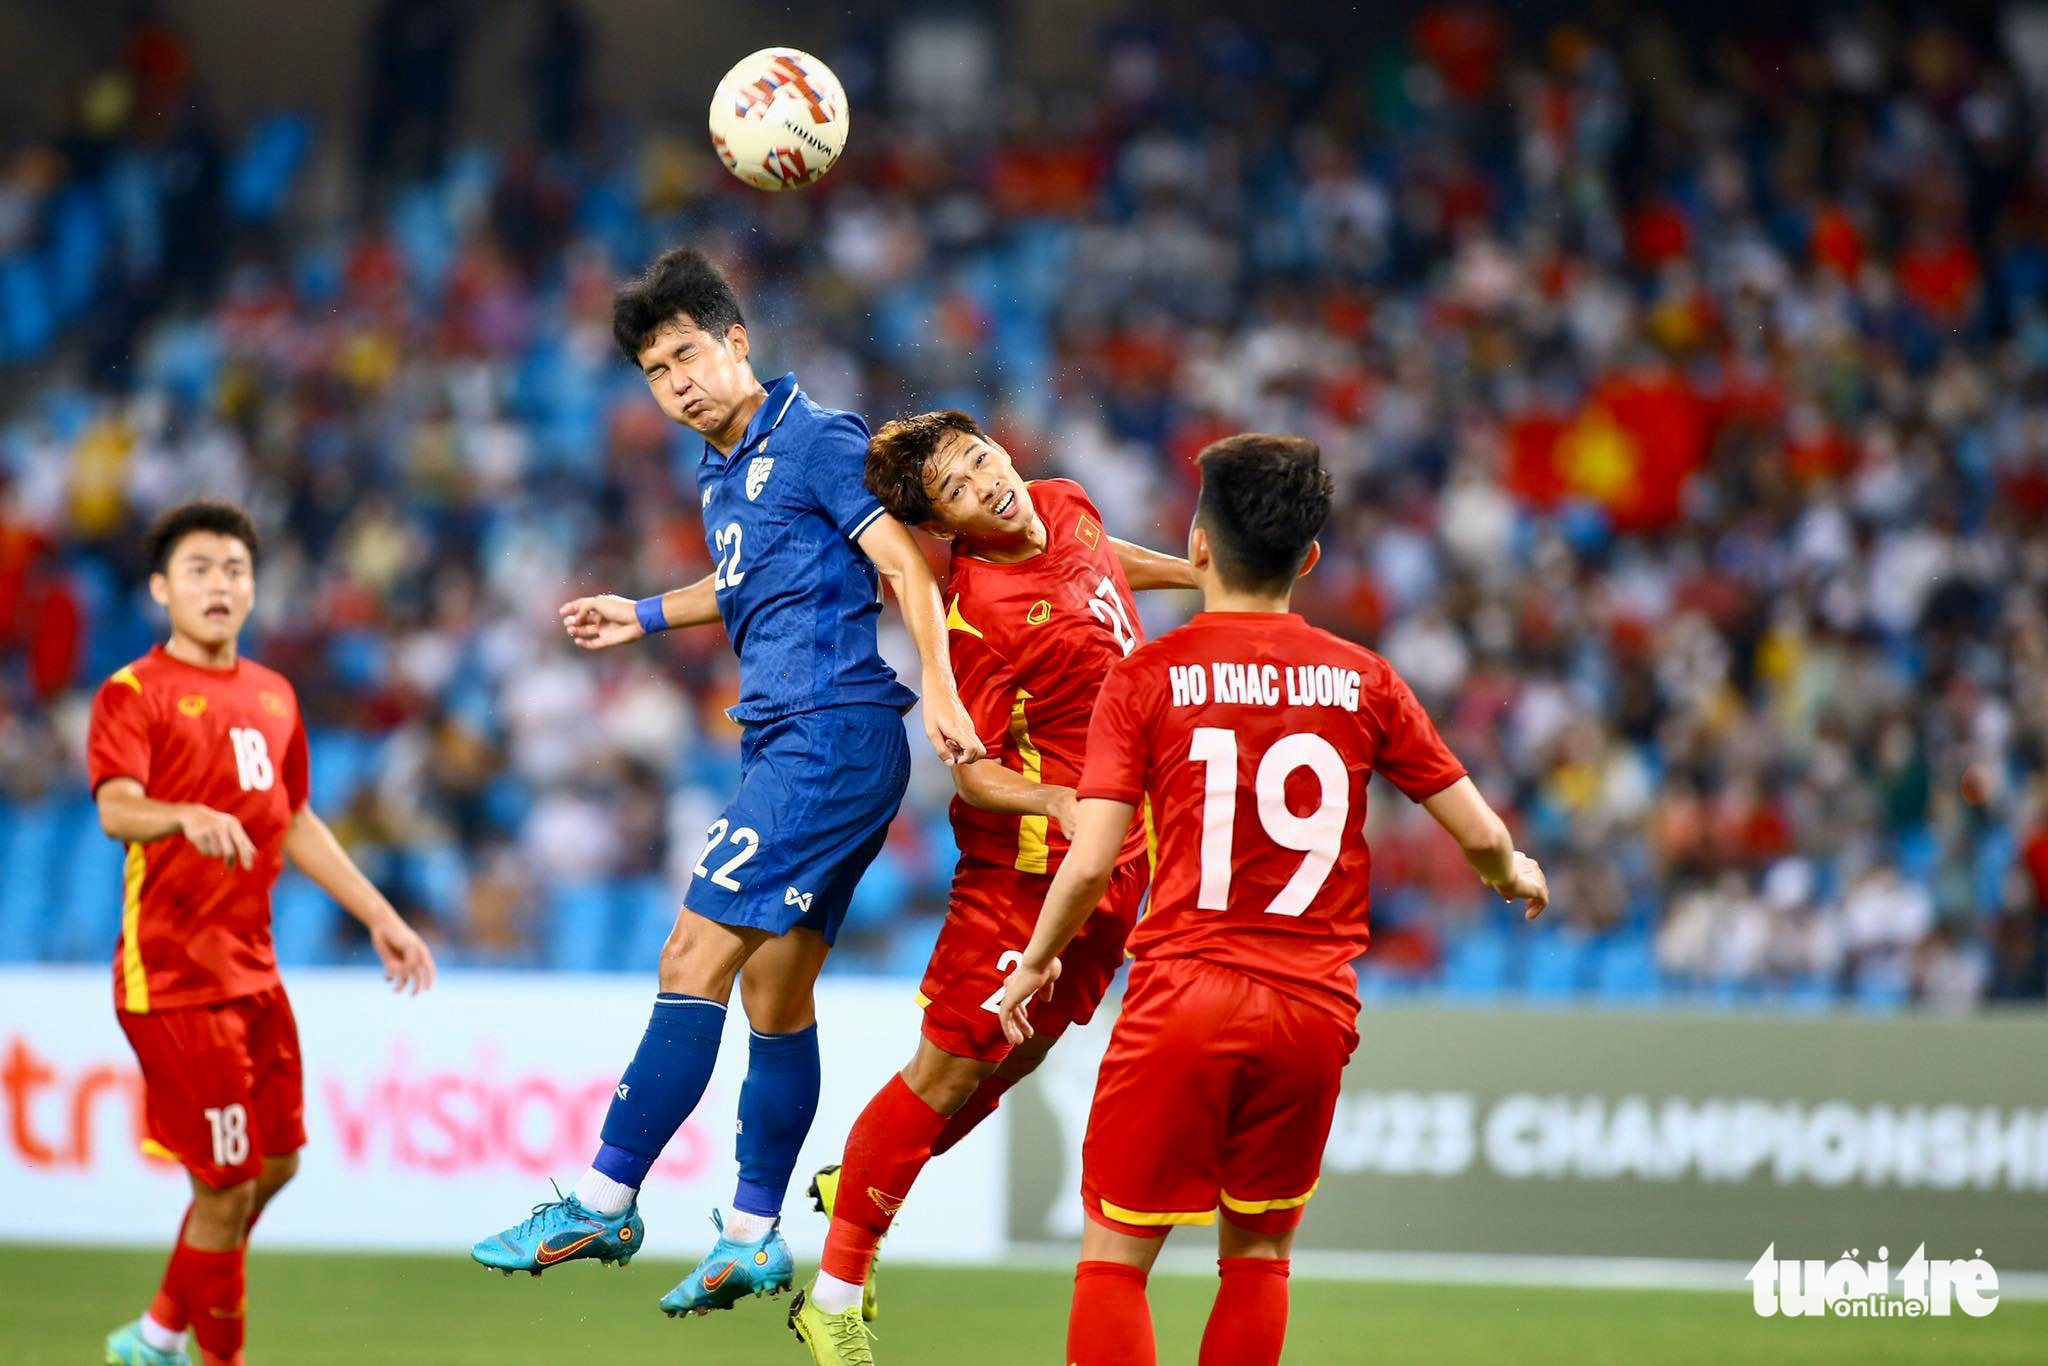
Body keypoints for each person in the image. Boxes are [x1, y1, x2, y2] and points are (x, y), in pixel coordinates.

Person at [470, 247, 984, 1321]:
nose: (677, 382)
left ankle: (604, 1198)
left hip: (826, 737)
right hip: (805, 745)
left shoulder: (816, 437)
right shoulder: (723, 471)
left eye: (688, 354)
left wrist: (938, 687)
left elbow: (903, 562)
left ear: (736, 341)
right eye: (656, 372)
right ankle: (752, 1234)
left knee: (689, 957)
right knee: (773, 993)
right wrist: (643, 612)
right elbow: (751, 575)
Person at [996, 435, 1549, 1366]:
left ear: (1197, 547)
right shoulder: (1366, 679)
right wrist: (1512, 874)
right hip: (1312, 1011)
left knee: (1116, 1264)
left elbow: (1089, 866)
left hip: (1184, 997)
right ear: (1311, 558)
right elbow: (1482, 833)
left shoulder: (1145, 677)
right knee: (1257, 1258)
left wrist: (1037, 960)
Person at [786, 410, 1194, 1362]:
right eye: (959, 492)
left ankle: (865, 1180)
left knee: (1019, 1059)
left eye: (980, 461)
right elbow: (970, 774)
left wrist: (1195, 576)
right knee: (948, 1068)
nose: (986, 485)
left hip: (1118, 857)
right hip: (1027, 869)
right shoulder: (978, 619)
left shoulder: (1066, 501)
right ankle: (833, 1295)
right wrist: (1053, 797)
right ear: (945, 528)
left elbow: (1101, 567)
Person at [92, 500, 437, 1366]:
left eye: (234, 570)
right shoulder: (132, 693)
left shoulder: (274, 694)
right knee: (227, 1185)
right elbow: (116, 809)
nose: (219, 584)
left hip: (253, 972)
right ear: (161, 589)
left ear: (252, 589)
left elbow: (297, 820)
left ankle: (157, 1334)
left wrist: (381, 916)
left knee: (276, 1164)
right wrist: (182, 815)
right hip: (173, 981)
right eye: (199, 569)